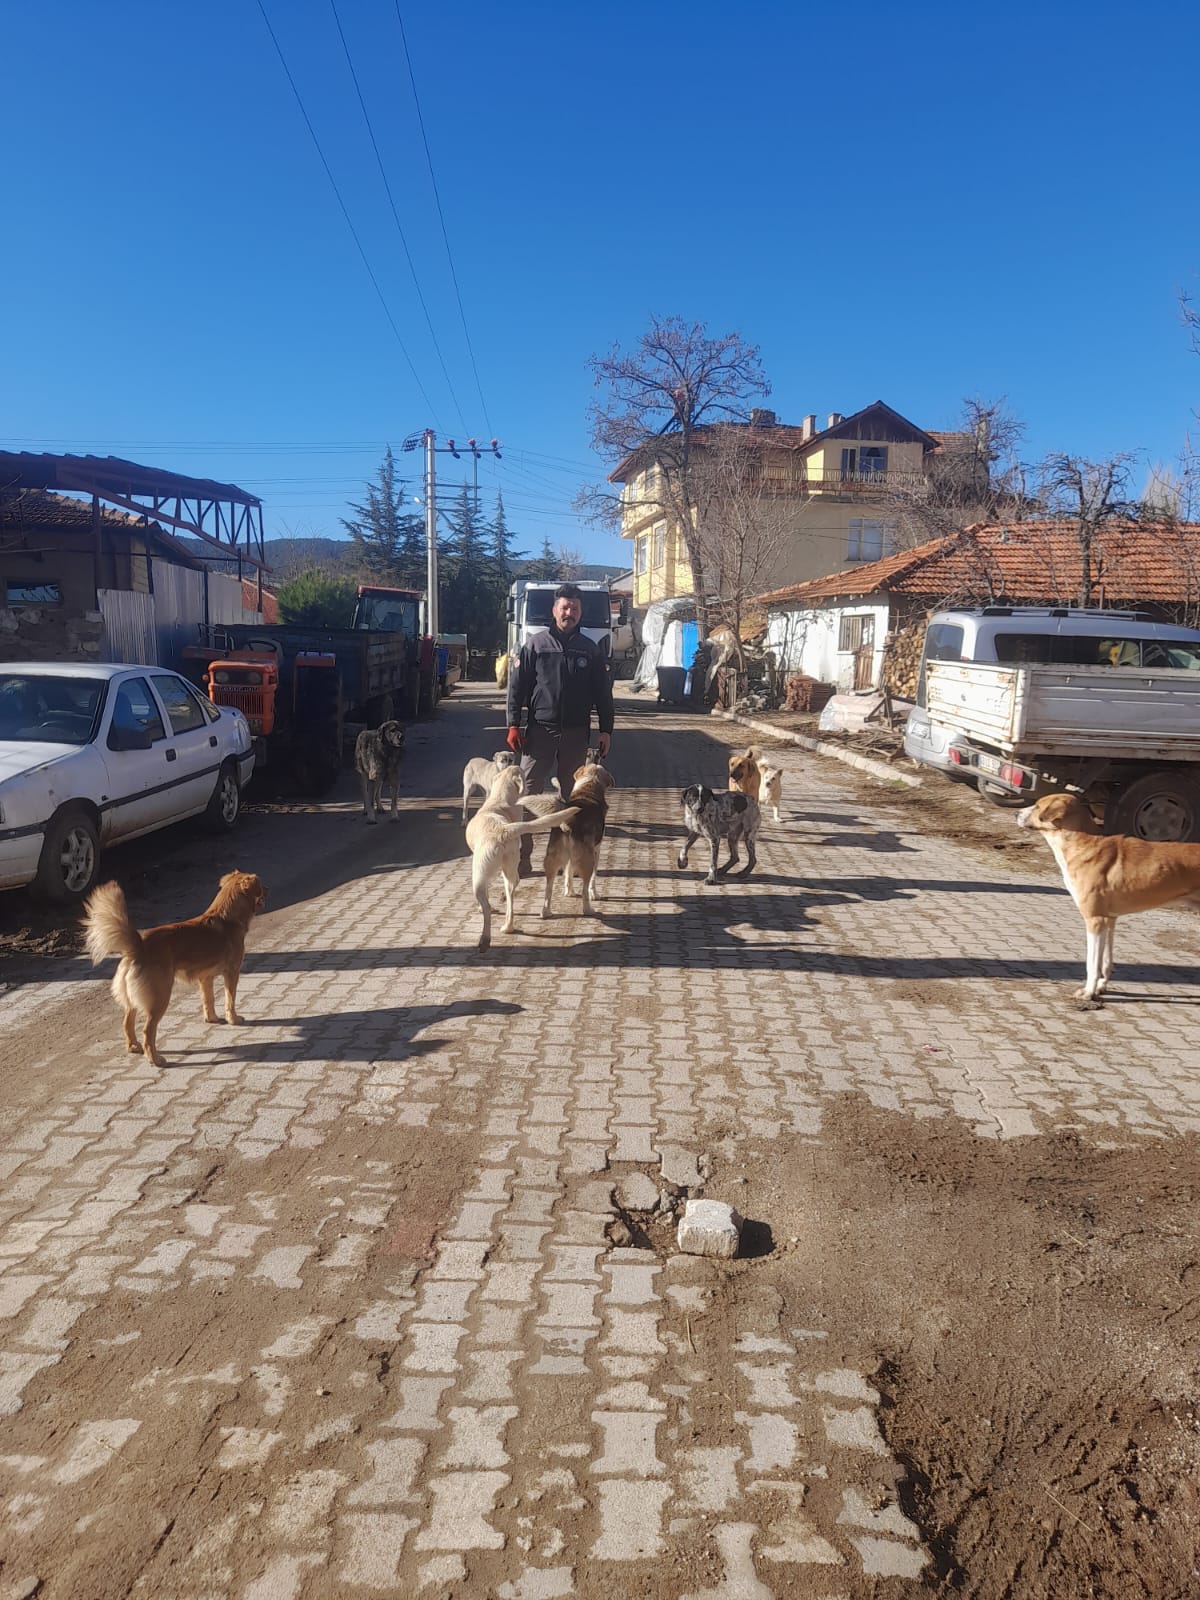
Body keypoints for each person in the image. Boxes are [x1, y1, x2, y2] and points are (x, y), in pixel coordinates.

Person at [506, 583, 614, 867]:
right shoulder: (536, 645)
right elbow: (516, 688)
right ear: (554, 611)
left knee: (572, 798)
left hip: (576, 734)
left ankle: (567, 855)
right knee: (527, 793)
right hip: (540, 731)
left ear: (580, 613)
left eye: (574, 608)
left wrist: (606, 730)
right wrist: (513, 724)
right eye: (565, 607)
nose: (570, 613)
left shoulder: (590, 650)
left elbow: (603, 693)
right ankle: (521, 857)